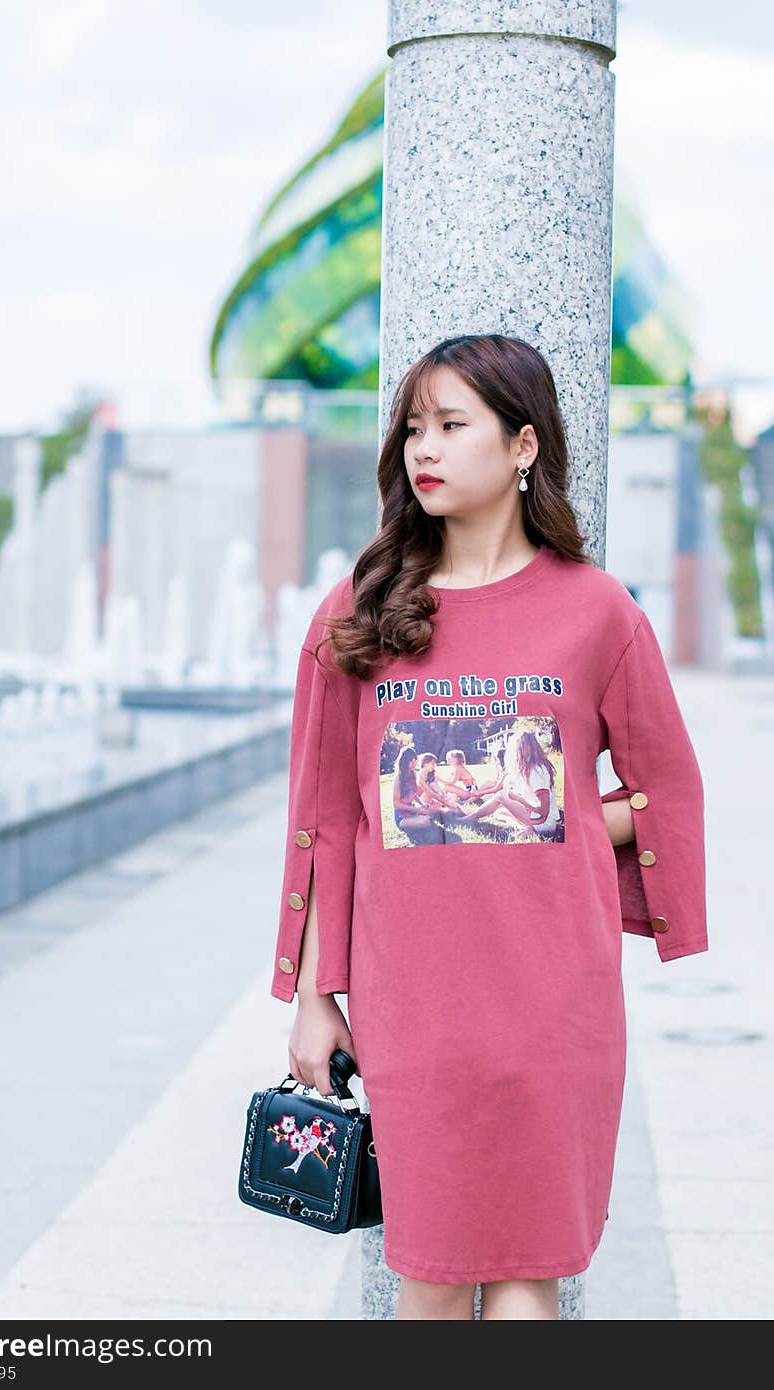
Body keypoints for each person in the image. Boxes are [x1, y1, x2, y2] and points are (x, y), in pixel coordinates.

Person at [269, 333, 708, 1321]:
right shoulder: (360, 611)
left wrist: (547, 820)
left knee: (528, 1276)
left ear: (521, 446)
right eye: (412, 428)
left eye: (450, 425)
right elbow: (324, 822)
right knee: (423, 1271)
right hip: (410, 1000)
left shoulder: (595, 612)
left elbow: (667, 787)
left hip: (552, 998)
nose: (423, 447)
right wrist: (311, 993)